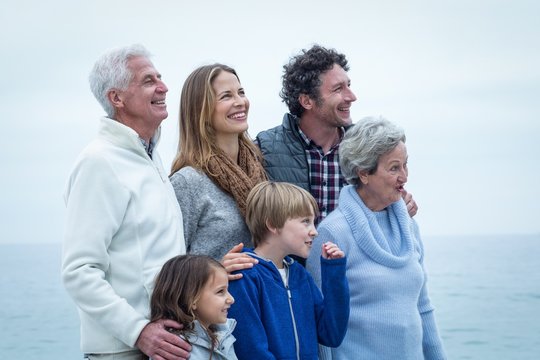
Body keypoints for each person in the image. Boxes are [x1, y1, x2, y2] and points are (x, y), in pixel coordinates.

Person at [61, 44, 191, 360]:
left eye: (160, 77)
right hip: (126, 348)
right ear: (116, 98)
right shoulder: (100, 162)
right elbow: (78, 270)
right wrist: (138, 331)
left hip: (165, 340)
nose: (164, 87)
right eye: (148, 80)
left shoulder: (149, 157)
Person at [306, 117, 446, 360]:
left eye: (405, 165)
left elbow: (422, 307)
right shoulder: (333, 233)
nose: (404, 176)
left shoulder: (409, 227)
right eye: (394, 168)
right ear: (364, 173)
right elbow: (321, 320)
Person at [256, 45, 418, 226]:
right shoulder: (265, 149)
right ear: (307, 101)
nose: (352, 96)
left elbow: (384, 200)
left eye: (348, 85)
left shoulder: (366, 147)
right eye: (338, 89)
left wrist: (400, 206)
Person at [228, 181, 350, 359]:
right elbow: (252, 350)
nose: (314, 231)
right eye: (306, 221)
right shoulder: (244, 276)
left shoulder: (300, 275)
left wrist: (334, 274)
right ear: (272, 224)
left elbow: (332, 334)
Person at [170, 63, 267, 261]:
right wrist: (217, 270)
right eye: (226, 96)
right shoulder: (187, 182)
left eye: (241, 92)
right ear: (201, 110)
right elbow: (172, 266)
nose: (240, 102)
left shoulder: (258, 168)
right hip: (214, 291)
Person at [150, 254, 238, 360]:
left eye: (227, 290)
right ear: (191, 299)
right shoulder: (173, 350)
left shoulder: (223, 333)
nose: (231, 299)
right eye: (220, 291)